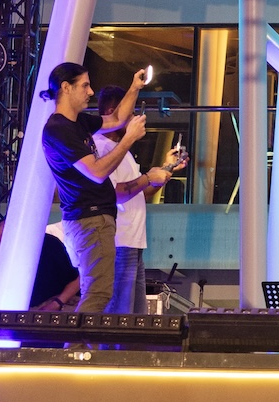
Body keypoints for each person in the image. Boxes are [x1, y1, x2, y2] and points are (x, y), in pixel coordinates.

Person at [37, 62, 149, 313]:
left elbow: (117, 119)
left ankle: (83, 338)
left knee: (99, 292)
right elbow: (96, 172)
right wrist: (129, 138)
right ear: (66, 87)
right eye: (85, 85)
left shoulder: (77, 123)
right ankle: (80, 339)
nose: (90, 92)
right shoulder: (58, 130)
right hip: (90, 219)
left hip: (96, 219)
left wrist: (134, 88)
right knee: (98, 293)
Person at [93, 85, 186, 313]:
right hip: (118, 242)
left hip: (133, 243)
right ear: (113, 111)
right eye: (131, 112)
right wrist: (148, 177)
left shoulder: (121, 150)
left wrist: (166, 169)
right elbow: (113, 193)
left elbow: (139, 193)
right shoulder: (101, 147)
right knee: (119, 315)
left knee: (136, 316)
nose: (135, 118)